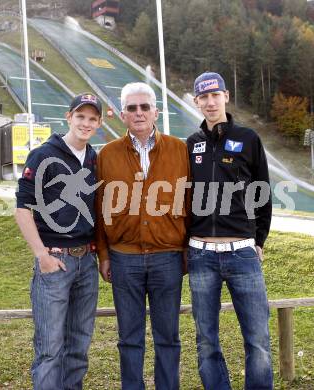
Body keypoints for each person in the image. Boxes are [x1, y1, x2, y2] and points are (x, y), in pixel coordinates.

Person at [96, 82, 190, 390]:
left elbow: (190, 203)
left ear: (156, 112)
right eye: (132, 108)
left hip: (168, 258)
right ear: (122, 114)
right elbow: (99, 209)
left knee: (168, 337)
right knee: (130, 338)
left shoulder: (179, 149)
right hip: (125, 259)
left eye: (144, 107)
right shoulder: (106, 155)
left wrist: (186, 250)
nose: (139, 113)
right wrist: (105, 254)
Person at [186, 71, 273, 390]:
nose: (210, 102)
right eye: (203, 97)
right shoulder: (191, 143)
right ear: (196, 102)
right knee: (206, 341)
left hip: (241, 254)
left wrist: (258, 240)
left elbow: (263, 192)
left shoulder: (248, 138)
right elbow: (186, 197)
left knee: (258, 341)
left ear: (225, 96)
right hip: (201, 256)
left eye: (215, 95)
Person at [15, 93, 102, 390]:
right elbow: (22, 207)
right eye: (80, 116)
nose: (85, 123)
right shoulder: (44, 155)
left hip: (86, 262)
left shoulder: (94, 159)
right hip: (55, 260)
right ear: (69, 117)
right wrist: (42, 255)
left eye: (92, 118)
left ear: (99, 123)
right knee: (50, 349)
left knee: (78, 347)